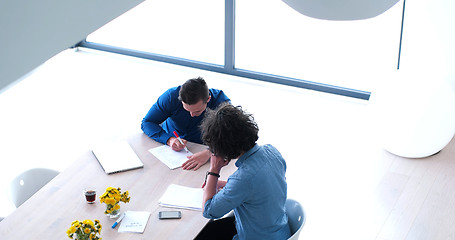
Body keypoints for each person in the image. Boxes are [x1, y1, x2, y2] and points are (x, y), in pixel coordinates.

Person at [196, 103, 291, 240]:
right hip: (279, 231)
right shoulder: (272, 151)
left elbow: (209, 211)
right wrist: (225, 184)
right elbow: (260, 184)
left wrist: (214, 170)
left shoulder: (243, 179)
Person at [141, 77, 230, 170]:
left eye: (197, 111)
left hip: (203, 146)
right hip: (171, 147)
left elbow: (233, 136)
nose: (192, 115)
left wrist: (210, 152)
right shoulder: (170, 97)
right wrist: (169, 140)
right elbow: (147, 122)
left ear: (208, 99)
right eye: (187, 110)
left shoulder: (221, 103)